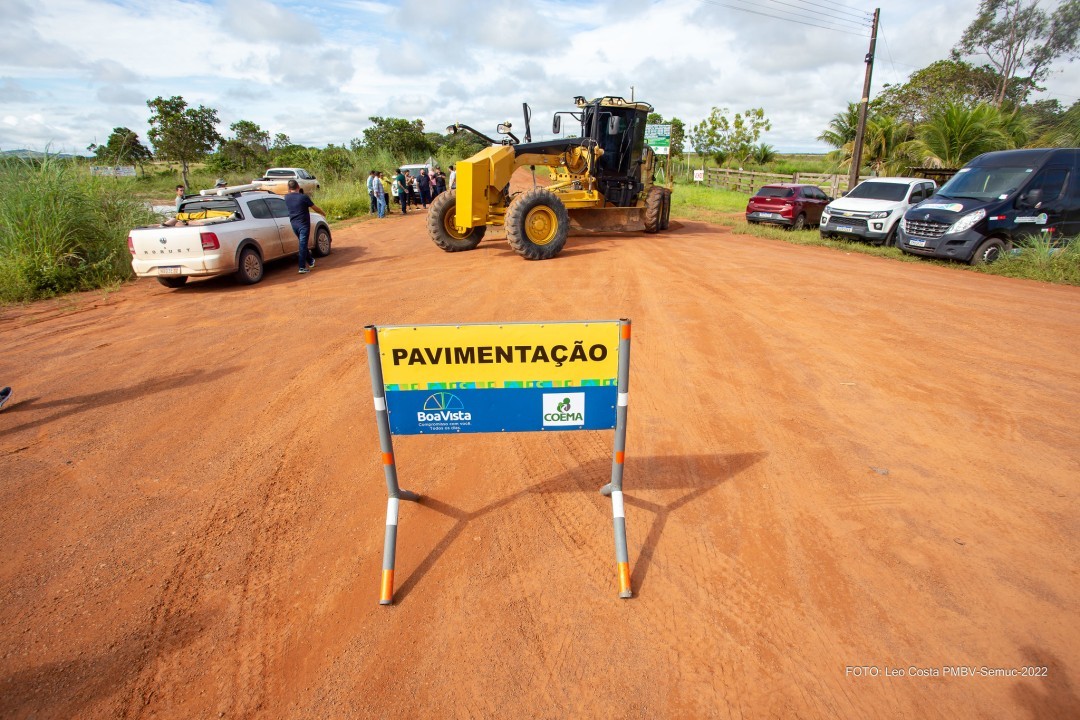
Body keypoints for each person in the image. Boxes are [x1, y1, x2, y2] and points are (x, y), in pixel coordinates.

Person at [283, 179, 325, 274]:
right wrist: (323, 213)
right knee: (302, 245)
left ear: (289, 189)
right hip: (303, 224)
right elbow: (315, 208)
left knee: (303, 244)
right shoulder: (303, 197)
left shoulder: (286, 197)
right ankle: (301, 267)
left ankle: (310, 261)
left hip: (294, 224)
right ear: (298, 187)